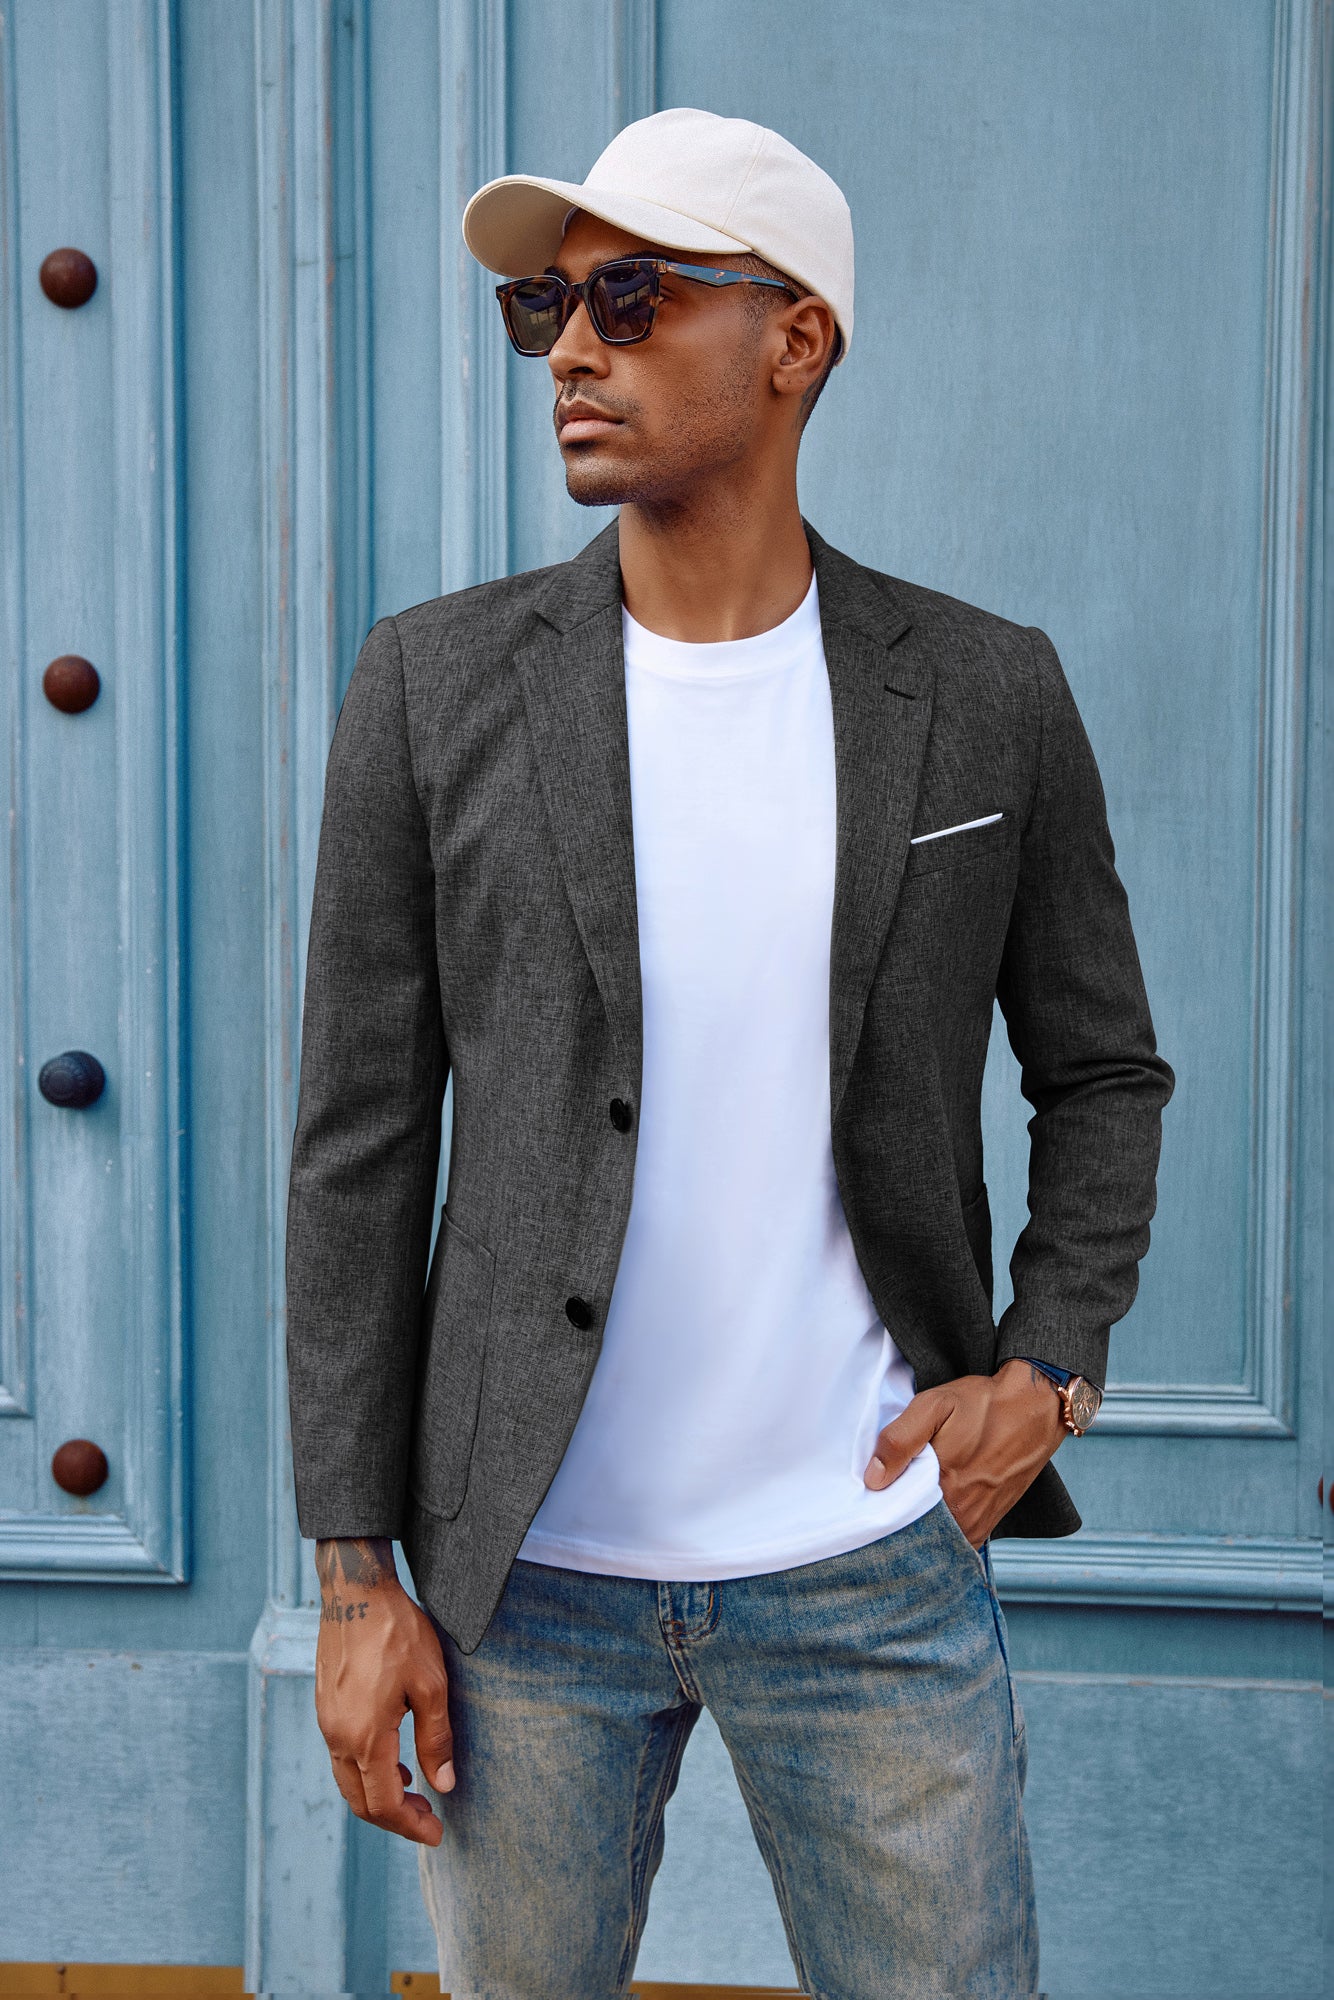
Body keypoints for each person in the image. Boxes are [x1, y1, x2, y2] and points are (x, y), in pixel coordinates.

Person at [285, 106, 1174, 1999]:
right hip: (523, 1586)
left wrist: (1048, 1370)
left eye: (630, 298)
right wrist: (354, 1576)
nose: (571, 349)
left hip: (869, 1565)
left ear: (796, 339)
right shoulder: (432, 687)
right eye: (543, 307)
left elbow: (1100, 1071)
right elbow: (357, 1147)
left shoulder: (983, 690)